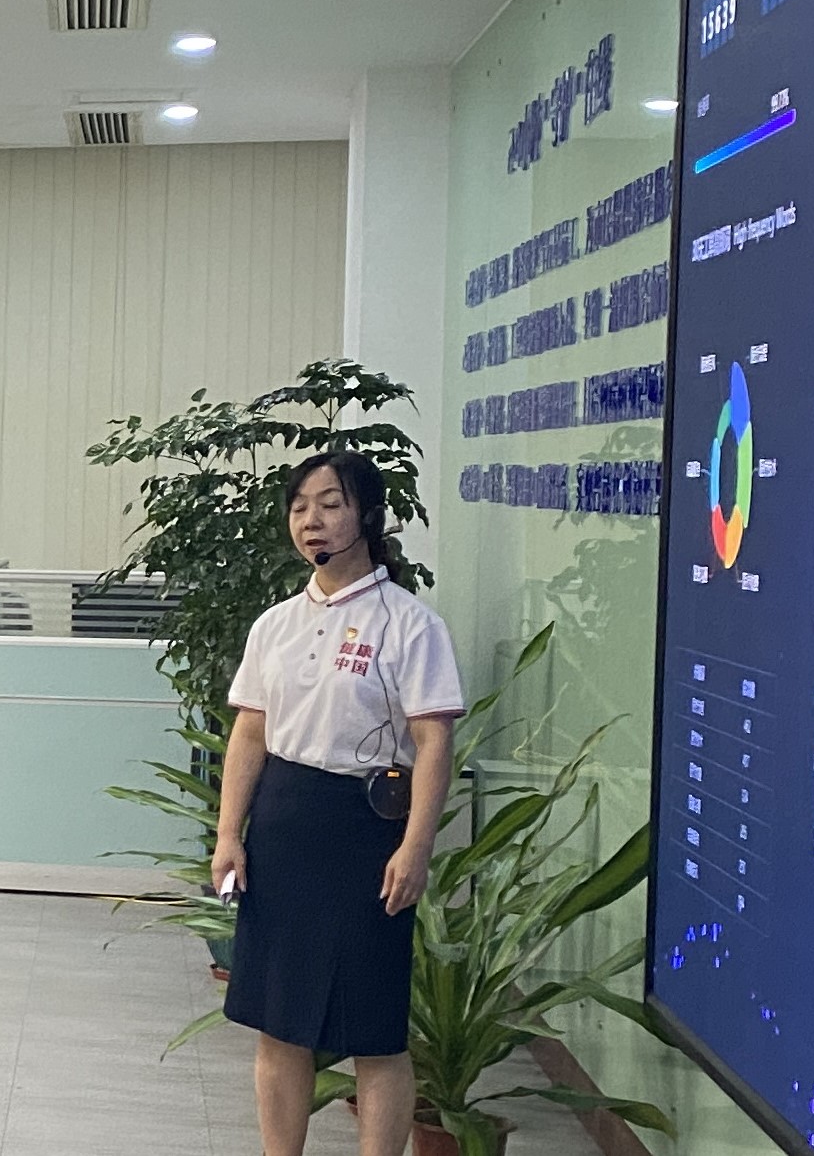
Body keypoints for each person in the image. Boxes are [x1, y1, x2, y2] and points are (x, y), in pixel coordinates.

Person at [213, 450, 465, 1156]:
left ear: (368, 515)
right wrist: (229, 832)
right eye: (299, 507)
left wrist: (416, 846)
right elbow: (250, 731)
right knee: (278, 1021)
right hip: (284, 821)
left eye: (329, 504)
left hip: (367, 828)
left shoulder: (410, 624)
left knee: (373, 1030)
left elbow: (433, 741)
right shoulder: (275, 623)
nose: (311, 521)